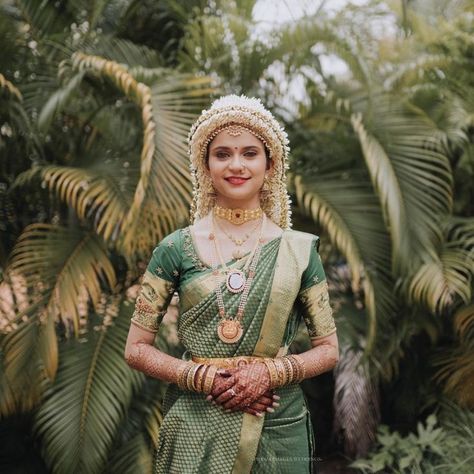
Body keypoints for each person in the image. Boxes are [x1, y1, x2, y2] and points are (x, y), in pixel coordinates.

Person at [124, 94, 339, 474]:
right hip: (196, 418)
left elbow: (328, 350)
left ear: (270, 164)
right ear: (205, 166)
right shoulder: (174, 249)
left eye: (249, 153)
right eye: (222, 154)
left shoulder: (298, 251)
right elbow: (137, 349)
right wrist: (200, 376)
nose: (236, 165)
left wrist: (269, 373)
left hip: (275, 420)